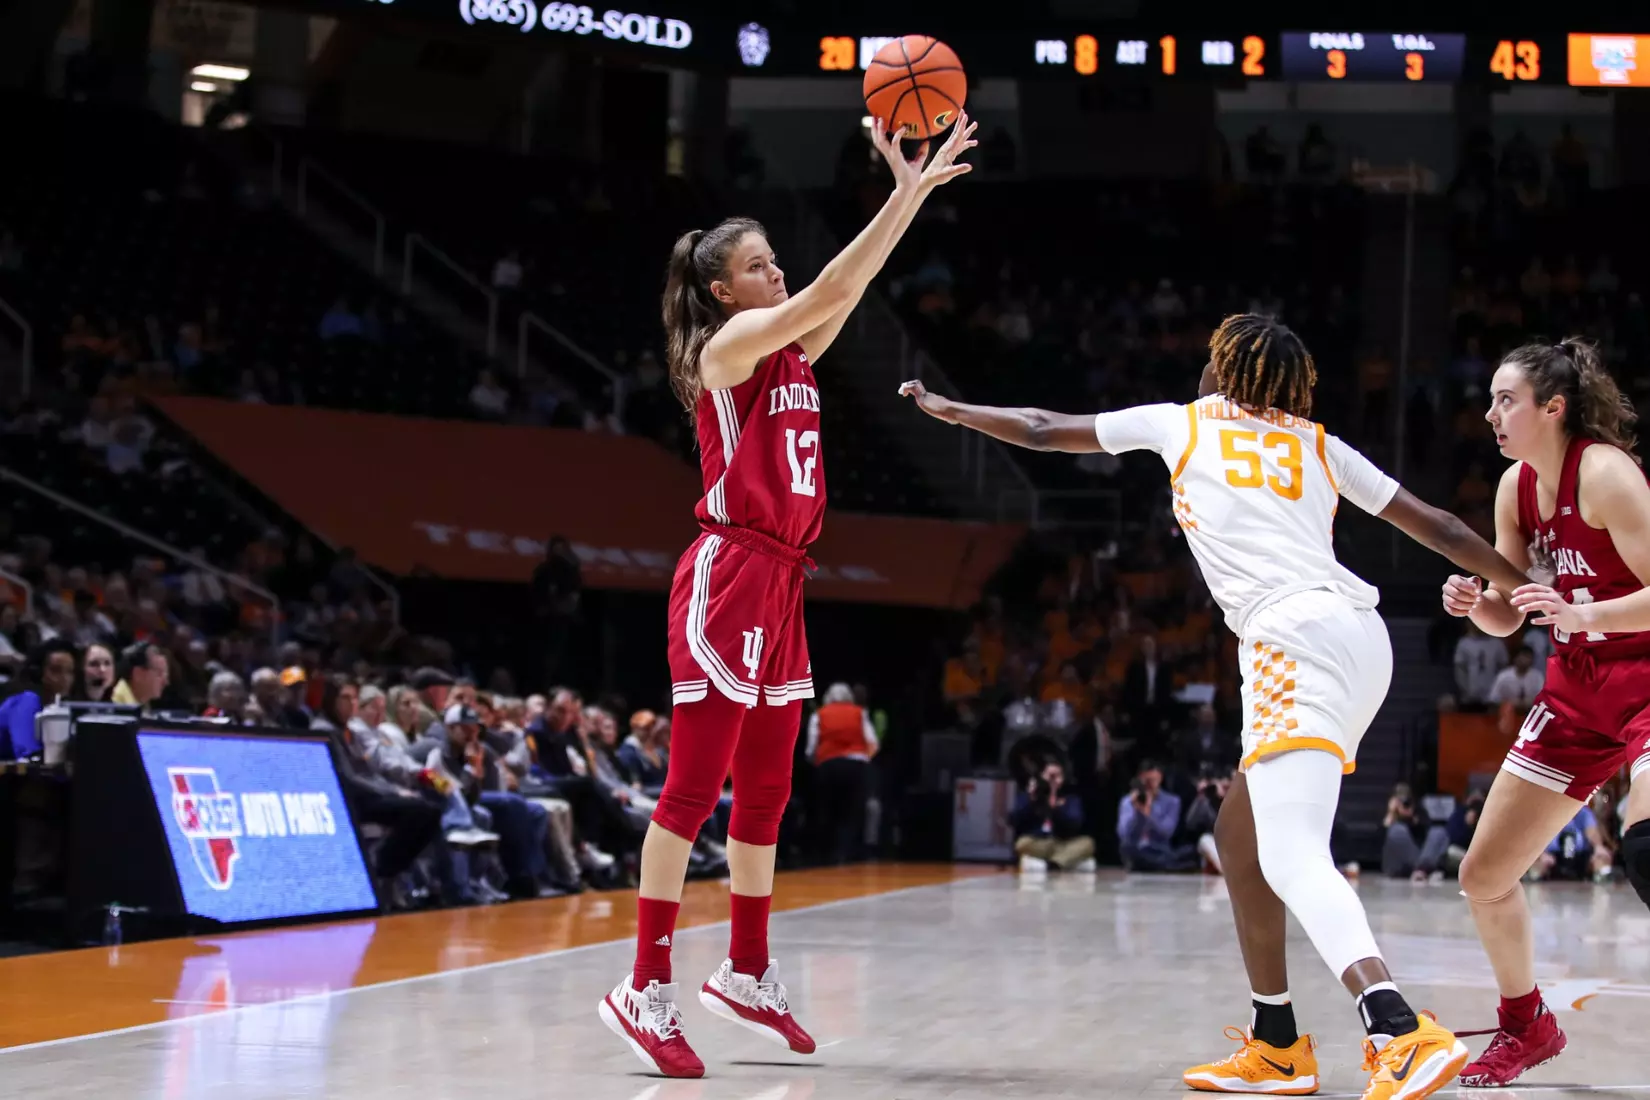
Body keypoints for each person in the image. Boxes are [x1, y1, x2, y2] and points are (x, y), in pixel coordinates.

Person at [898, 312, 1533, 1100]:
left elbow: (1038, 426)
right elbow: (1436, 525)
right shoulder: (1316, 441)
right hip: (1361, 641)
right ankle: (1275, 1045)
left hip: (1288, 641)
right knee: (1241, 838)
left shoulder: (1183, 423)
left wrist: (957, 412)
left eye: (1211, 358)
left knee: (1292, 852)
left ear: (1226, 371)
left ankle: (1397, 1030)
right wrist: (1520, 583)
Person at [599, 113, 978, 1079]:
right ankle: (644, 985)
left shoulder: (794, 356)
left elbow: (849, 288)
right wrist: (904, 191)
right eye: (761, 267)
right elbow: (835, 284)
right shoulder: (725, 352)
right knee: (694, 789)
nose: (777, 276)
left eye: (776, 265)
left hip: (782, 584)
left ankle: (747, 971)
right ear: (724, 291)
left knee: (768, 787)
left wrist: (915, 197)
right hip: (727, 574)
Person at [1438, 338, 1650, 1086]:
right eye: (1491, 399)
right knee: (1483, 875)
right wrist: (1478, 604)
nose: (1491, 412)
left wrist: (1578, 615)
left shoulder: (1607, 475)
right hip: (1576, 692)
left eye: (1506, 400)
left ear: (1552, 408)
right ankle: (1526, 1026)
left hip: (1646, 682)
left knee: (1647, 846)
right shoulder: (1514, 489)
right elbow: (1511, 615)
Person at [1009, 758, 1093, 872]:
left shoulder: (1071, 798)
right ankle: (1064, 862)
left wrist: (1057, 808)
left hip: (1063, 842)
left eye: (1057, 776)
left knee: (1088, 843)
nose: (1053, 781)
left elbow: (1075, 822)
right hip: (1040, 843)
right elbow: (1013, 819)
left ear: (1063, 778)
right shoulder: (1031, 797)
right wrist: (1031, 799)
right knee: (1022, 843)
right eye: (1050, 776)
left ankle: (1053, 864)